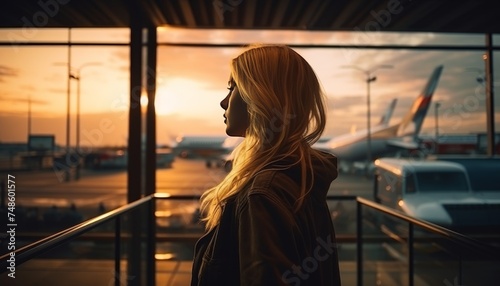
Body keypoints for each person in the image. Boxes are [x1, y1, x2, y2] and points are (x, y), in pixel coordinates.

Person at [191, 44, 341, 286]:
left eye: (233, 88)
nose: (223, 102)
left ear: (259, 96)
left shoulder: (262, 193)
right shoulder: (300, 178)